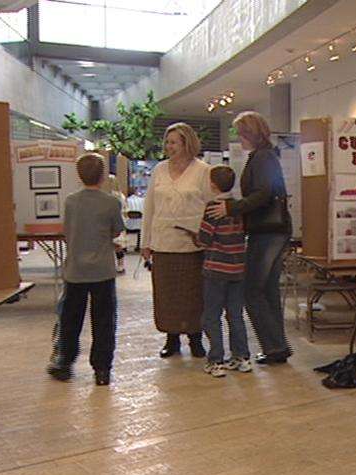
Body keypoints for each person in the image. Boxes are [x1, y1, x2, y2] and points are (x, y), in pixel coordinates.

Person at [208, 112, 292, 364]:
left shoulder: (263, 157)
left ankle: (275, 346)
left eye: (239, 132)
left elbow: (264, 193)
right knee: (266, 291)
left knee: (252, 290)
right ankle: (277, 347)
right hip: (272, 230)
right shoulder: (265, 155)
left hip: (268, 232)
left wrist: (232, 208)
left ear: (249, 132)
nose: (237, 138)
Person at [47, 153, 124, 386]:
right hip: (102, 270)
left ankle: (65, 362)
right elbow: (117, 230)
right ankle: (102, 369)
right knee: (104, 320)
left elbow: (67, 230)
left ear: (79, 176)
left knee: (70, 319)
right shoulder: (111, 202)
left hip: (76, 270)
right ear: (103, 176)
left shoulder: (71, 201)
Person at [141, 122, 212, 359]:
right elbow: (149, 206)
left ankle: (195, 338)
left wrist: (210, 237)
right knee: (166, 294)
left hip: (192, 245)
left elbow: (212, 205)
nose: (168, 146)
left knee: (193, 294)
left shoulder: (202, 170)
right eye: (167, 142)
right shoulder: (159, 170)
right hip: (163, 243)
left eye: (173, 142)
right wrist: (146, 242)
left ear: (186, 143)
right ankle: (171, 339)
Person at [194, 165, 252, 377]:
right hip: (238, 269)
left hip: (216, 269)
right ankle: (242, 357)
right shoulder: (238, 207)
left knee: (211, 315)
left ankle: (216, 360)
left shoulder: (212, 208)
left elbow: (204, 238)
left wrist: (196, 237)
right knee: (235, 314)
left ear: (212, 185)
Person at [101, 174, 128, 273]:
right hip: (118, 222)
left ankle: (114, 265)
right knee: (118, 245)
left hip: (111, 222)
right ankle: (120, 264)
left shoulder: (110, 196)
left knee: (113, 245)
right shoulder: (121, 196)